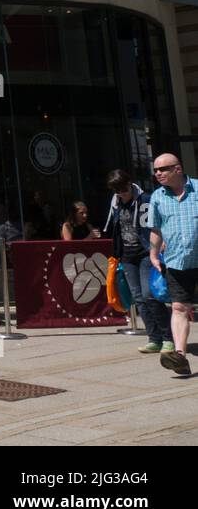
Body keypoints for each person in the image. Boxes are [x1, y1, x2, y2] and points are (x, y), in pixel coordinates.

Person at [103, 170, 172, 356]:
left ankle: (168, 338)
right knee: (138, 298)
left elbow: (158, 222)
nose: (122, 192)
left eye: (123, 188)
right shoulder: (116, 203)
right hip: (127, 255)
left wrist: (159, 245)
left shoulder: (146, 199)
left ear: (130, 183)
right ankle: (154, 338)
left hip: (145, 253)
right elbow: (114, 228)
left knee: (150, 295)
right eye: (117, 190)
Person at [148, 152, 198, 376]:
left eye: (163, 169)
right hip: (177, 262)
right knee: (179, 307)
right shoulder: (157, 197)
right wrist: (154, 254)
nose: (158, 173)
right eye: (156, 170)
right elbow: (156, 229)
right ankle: (179, 356)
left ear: (177, 169)